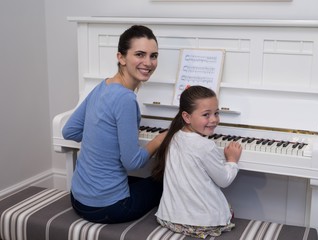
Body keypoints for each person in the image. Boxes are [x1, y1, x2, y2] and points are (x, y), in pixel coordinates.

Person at [62, 25, 167, 224]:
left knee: (144, 182)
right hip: (108, 207)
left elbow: (69, 130)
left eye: (153, 56)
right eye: (139, 54)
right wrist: (159, 139)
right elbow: (132, 163)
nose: (148, 62)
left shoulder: (103, 86)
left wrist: (102, 137)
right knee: (164, 183)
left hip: (77, 198)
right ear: (121, 57)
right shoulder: (126, 99)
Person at [152, 85, 242, 239]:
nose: (214, 119)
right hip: (200, 224)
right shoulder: (205, 145)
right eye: (206, 115)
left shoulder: (173, 136)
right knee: (226, 210)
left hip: (169, 217)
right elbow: (224, 180)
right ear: (187, 117)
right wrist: (232, 160)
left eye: (216, 113)